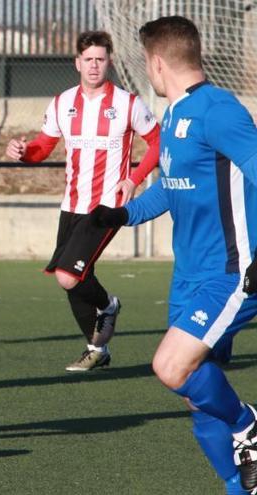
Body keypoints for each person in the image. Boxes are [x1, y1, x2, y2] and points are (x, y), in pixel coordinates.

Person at [90, 16, 257, 494]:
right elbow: (173, 186)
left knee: (169, 367)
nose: (147, 71)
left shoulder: (218, 110)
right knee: (198, 397)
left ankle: (249, 425)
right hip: (189, 275)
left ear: (157, 62)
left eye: (145, 63)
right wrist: (124, 214)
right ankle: (238, 486)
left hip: (231, 272)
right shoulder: (174, 114)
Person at [6, 30, 161, 372]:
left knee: (67, 275)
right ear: (77, 63)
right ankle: (96, 349)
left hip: (104, 207)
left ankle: (109, 305)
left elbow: (158, 142)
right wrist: (22, 153)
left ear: (109, 62)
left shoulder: (128, 103)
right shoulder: (63, 103)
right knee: (74, 282)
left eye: (100, 59)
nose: (93, 65)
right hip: (70, 205)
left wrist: (133, 179)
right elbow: (42, 147)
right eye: (88, 59)